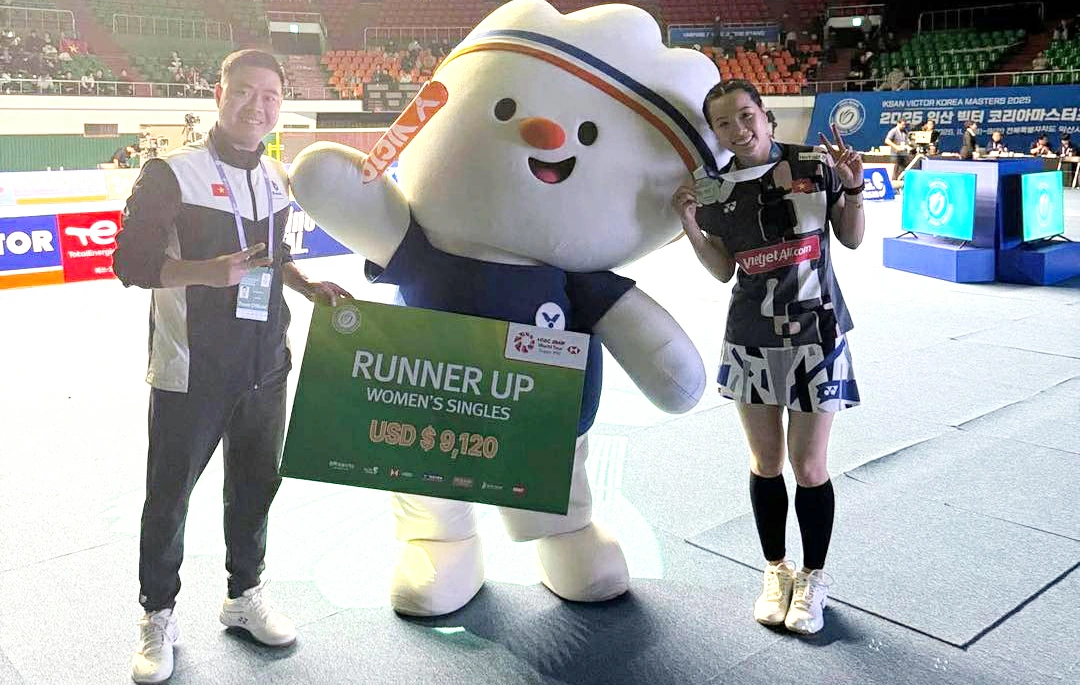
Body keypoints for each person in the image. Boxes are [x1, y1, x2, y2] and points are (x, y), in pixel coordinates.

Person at [112, 49, 352, 684]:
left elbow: (271, 259)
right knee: (169, 497)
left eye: (271, 96)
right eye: (245, 91)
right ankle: (157, 615)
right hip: (191, 368)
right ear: (219, 94)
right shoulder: (171, 173)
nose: (257, 106)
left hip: (265, 364)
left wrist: (306, 285)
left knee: (255, 487)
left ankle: (243, 595)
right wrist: (207, 272)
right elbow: (129, 264)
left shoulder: (276, 176)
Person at [671, 79, 864, 636]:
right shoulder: (712, 189)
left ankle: (814, 578)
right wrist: (690, 226)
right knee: (766, 463)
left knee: (810, 466)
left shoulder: (814, 164)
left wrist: (853, 188)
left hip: (818, 335)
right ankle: (775, 571)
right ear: (716, 133)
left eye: (745, 115)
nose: (738, 129)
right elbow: (722, 269)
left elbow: (850, 239)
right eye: (724, 123)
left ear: (765, 114)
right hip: (751, 339)